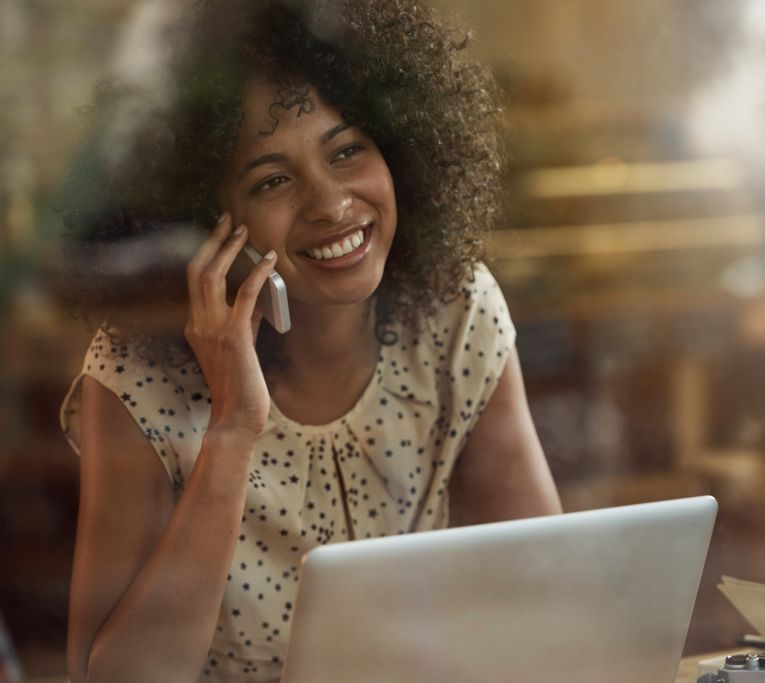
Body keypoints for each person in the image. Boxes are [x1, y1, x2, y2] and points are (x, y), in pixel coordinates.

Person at [57, 1, 562, 681]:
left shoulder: (455, 312)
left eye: (348, 149)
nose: (329, 203)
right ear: (208, 224)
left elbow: (553, 598)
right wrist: (232, 430)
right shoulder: (133, 373)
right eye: (273, 179)